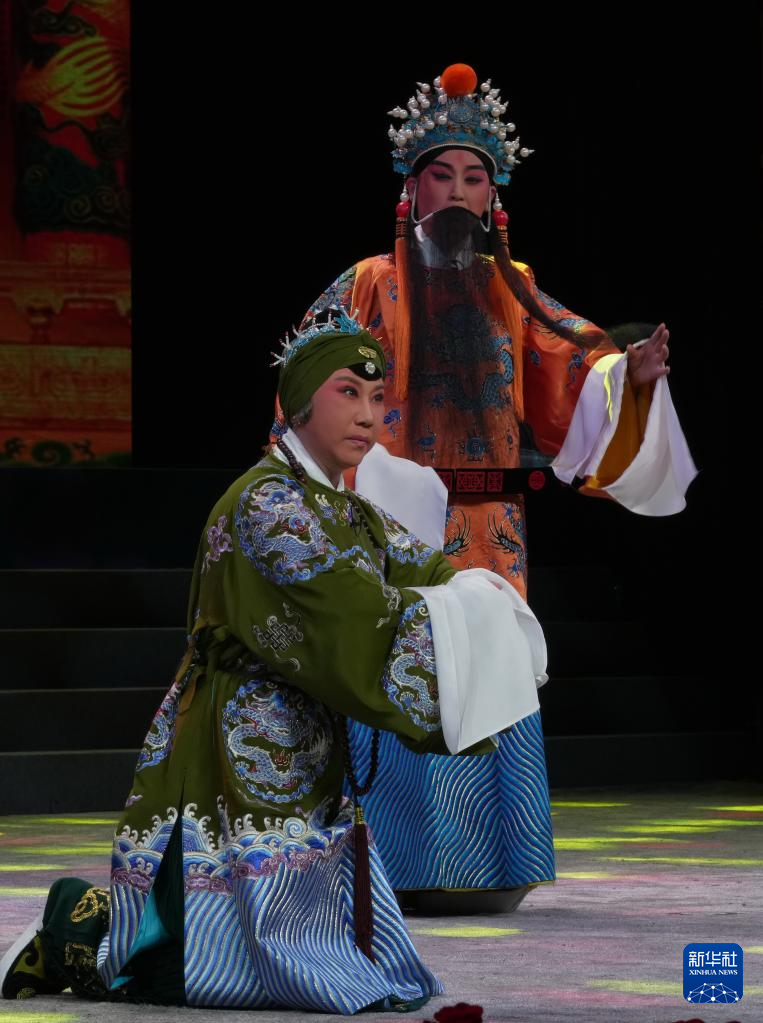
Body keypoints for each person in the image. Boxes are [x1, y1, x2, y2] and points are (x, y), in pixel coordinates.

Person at [1, 312, 548, 1013]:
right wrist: (466, 619)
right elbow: (355, 615)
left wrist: (478, 595)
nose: (368, 415)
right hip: (232, 742)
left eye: (377, 398)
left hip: (302, 737)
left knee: (299, 938)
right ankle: (67, 929)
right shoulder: (269, 505)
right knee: (190, 966)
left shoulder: (344, 507)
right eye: (347, 392)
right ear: (298, 403)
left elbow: (423, 567)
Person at [274, 63, 697, 902]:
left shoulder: (515, 287)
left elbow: (571, 363)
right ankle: (390, 867)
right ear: (412, 189)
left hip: (491, 523)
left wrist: (630, 375)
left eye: (475, 177)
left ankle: (489, 865)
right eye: (443, 176)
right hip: (390, 517)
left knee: (489, 671)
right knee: (399, 668)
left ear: (493, 195)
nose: (459, 193)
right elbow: (305, 382)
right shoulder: (369, 283)